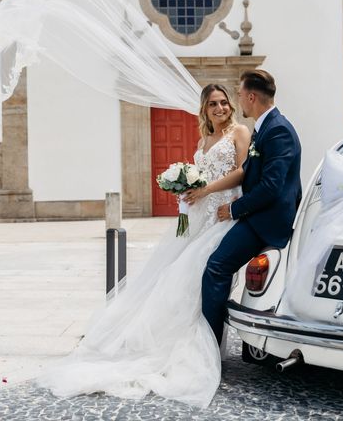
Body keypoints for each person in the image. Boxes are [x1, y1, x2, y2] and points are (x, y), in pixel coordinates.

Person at [37, 84, 250, 408]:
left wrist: (205, 190)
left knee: (193, 274)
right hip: (196, 216)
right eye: (212, 104)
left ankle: (204, 343)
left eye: (223, 102)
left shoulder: (239, 132)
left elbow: (241, 173)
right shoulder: (202, 139)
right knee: (169, 275)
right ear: (204, 110)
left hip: (221, 216)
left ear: (230, 105)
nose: (219, 108)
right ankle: (158, 341)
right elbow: (202, 175)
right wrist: (188, 190)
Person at [199, 69, 303, 345]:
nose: (238, 101)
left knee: (216, 267)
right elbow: (253, 173)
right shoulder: (266, 126)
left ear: (252, 96)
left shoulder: (277, 129)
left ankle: (210, 345)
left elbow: (272, 186)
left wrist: (234, 209)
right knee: (215, 264)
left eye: (240, 95)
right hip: (257, 212)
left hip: (267, 221)